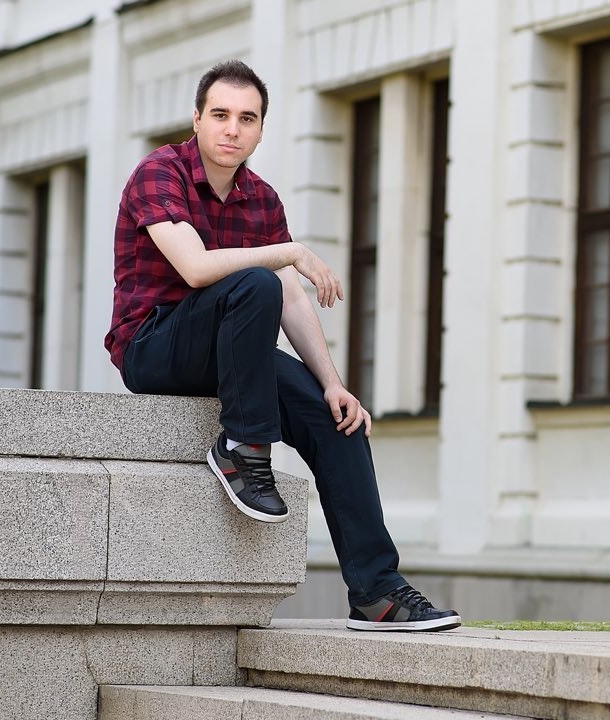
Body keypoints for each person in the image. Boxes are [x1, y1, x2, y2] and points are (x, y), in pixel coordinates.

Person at [104, 60, 460, 632]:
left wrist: (334, 384)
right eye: (219, 115)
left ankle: (376, 591)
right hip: (154, 346)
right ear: (196, 119)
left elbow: (292, 303)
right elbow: (197, 270)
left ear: (261, 130)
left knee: (335, 419)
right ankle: (243, 450)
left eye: (247, 118)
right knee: (253, 282)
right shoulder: (159, 172)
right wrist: (289, 252)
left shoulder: (260, 199)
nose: (232, 129)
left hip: (228, 353)